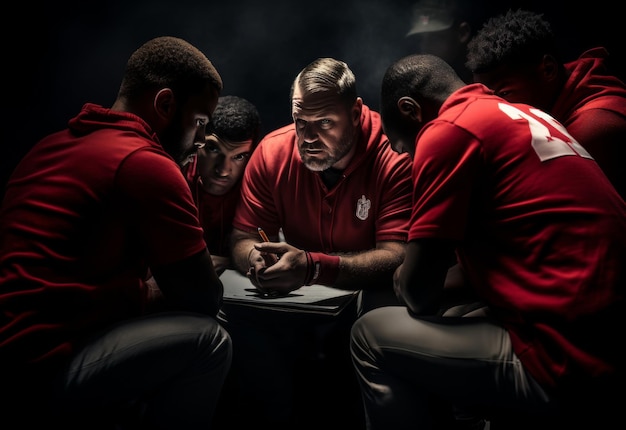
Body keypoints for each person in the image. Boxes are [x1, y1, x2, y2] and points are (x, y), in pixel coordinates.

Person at [350, 54, 626, 430]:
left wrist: (402, 275)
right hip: (606, 331)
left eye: (406, 149)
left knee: (369, 333)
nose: (410, 160)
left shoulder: (447, 129)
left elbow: (419, 292)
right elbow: (521, 249)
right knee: (455, 317)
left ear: (411, 110)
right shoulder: (525, 114)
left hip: (572, 358)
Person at [0, 36, 232, 429]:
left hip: (15, 352)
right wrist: (151, 289)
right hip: (44, 368)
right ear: (165, 105)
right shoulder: (144, 164)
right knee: (210, 338)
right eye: (199, 123)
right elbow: (203, 298)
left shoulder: (47, 147)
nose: (200, 140)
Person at [223, 57, 413, 428]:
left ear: (356, 112)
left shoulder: (394, 155)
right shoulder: (272, 152)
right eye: (300, 122)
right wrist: (255, 260)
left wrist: (312, 267)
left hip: (366, 306)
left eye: (325, 123)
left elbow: (399, 256)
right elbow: (244, 237)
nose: (308, 137)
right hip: (294, 312)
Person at [465, 8, 626, 199]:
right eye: (486, 95)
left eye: (504, 93)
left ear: (548, 70)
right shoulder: (563, 95)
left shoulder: (593, 129)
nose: (494, 106)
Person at [181, 95, 262, 275]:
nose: (223, 170)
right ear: (197, 139)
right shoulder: (173, 175)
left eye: (239, 156)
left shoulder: (260, 189)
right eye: (213, 148)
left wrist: (232, 262)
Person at [403, 0, 488, 83]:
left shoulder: (487, 76)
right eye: (420, 39)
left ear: (462, 33)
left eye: (435, 38)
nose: (425, 47)